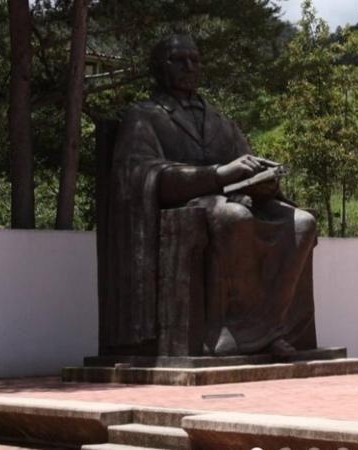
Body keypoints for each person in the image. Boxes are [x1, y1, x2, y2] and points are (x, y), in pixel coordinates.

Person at [102, 34, 317, 357]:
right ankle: (227, 331)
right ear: (158, 67)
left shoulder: (220, 121)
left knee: (302, 223)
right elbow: (140, 174)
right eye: (179, 60)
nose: (189, 66)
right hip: (184, 208)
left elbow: (247, 167)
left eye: (195, 60)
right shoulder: (143, 116)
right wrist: (217, 175)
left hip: (237, 201)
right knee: (234, 217)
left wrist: (264, 184)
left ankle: (268, 327)